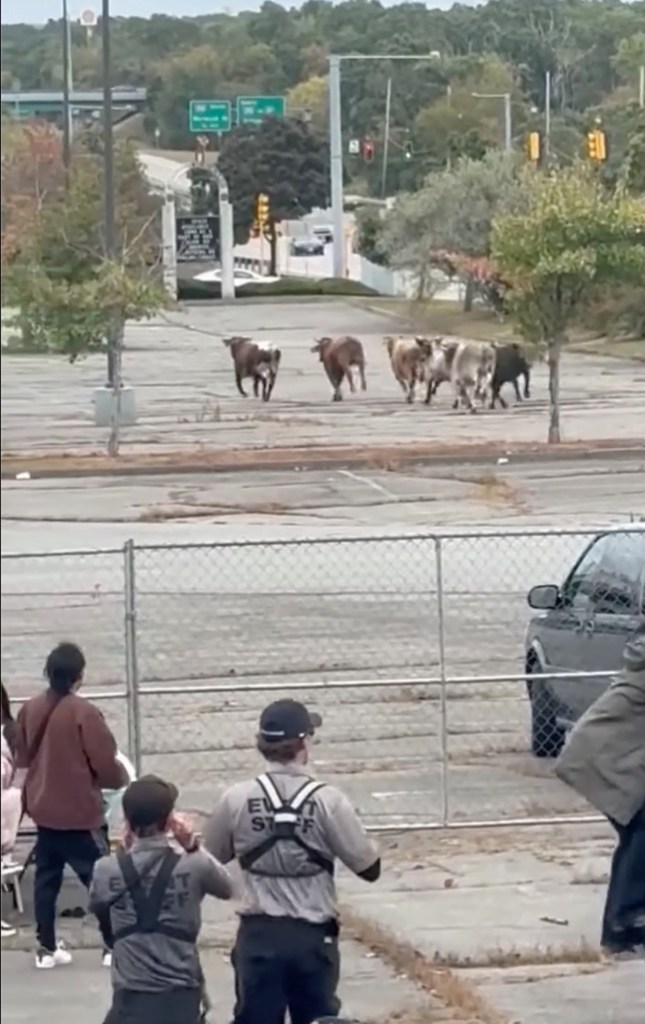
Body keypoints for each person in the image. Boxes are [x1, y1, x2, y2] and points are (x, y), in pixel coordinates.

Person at [203, 698, 381, 1024]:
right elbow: (369, 868)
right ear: (304, 743)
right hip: (312, 936)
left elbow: (211, 858)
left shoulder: (236, 798)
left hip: (258, 935)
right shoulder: (328, 800)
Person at [14, 641, 127, 969]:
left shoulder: (30, 708)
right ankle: (111, 945)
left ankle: (46, 948)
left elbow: (22, 755)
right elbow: (105, 763)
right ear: (79, 677)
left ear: (48, 673)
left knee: (46, 881)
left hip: (43, 810)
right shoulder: (85, 713)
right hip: (80, 813)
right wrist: (119, 781)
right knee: (99, 879)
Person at [89, 774, 234, 1024]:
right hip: (181, 992)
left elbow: (99, 907)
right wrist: (192, 846)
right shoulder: (194, 865)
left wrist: (124, 854)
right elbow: (228, 887)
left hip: (130, 995)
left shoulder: (106, 869)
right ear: (170, 822)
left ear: (127, 821)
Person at [556, 626, 645, 957]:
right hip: (603, 758)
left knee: (636, 838)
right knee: (640, 835)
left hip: (616, 760)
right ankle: (625, 927)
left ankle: (625, 926)